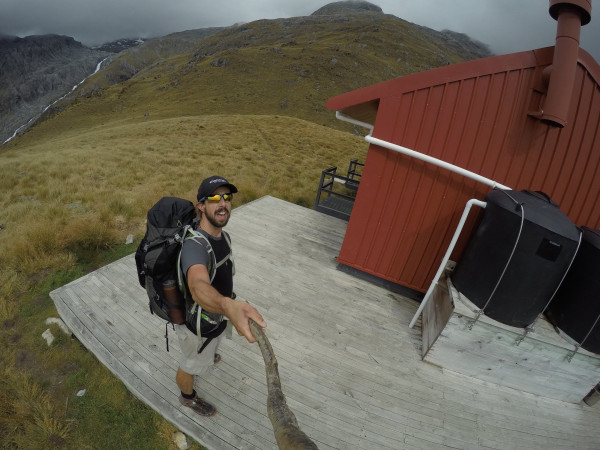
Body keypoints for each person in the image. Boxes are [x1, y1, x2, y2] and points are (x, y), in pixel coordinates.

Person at [175, 175, 266, 417]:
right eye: (214, 198)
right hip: (198, 327)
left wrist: (226, 308)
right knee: (190, 364)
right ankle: (188, 398)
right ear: (201, 206)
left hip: (215, 319)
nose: (223, 203)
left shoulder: (222, 236)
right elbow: (198, 285)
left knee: (210, 347)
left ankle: (210, 353)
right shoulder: (195, 246)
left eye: (227, 197)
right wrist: (227, 305)